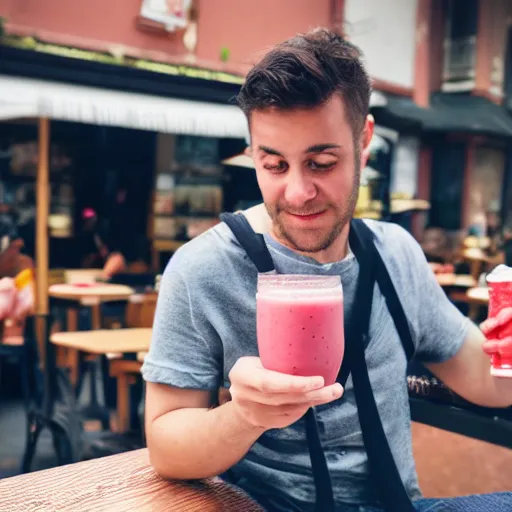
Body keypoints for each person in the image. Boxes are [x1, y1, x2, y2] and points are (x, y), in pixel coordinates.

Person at [141, 29, 512, 511]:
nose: (297, 192)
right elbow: (165, 446)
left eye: (320, 162)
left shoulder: (396, 252)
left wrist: (507, 352)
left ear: (364, 140)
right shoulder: (203, 268)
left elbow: (486, 382)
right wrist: (243, 416)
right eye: (274, 165)